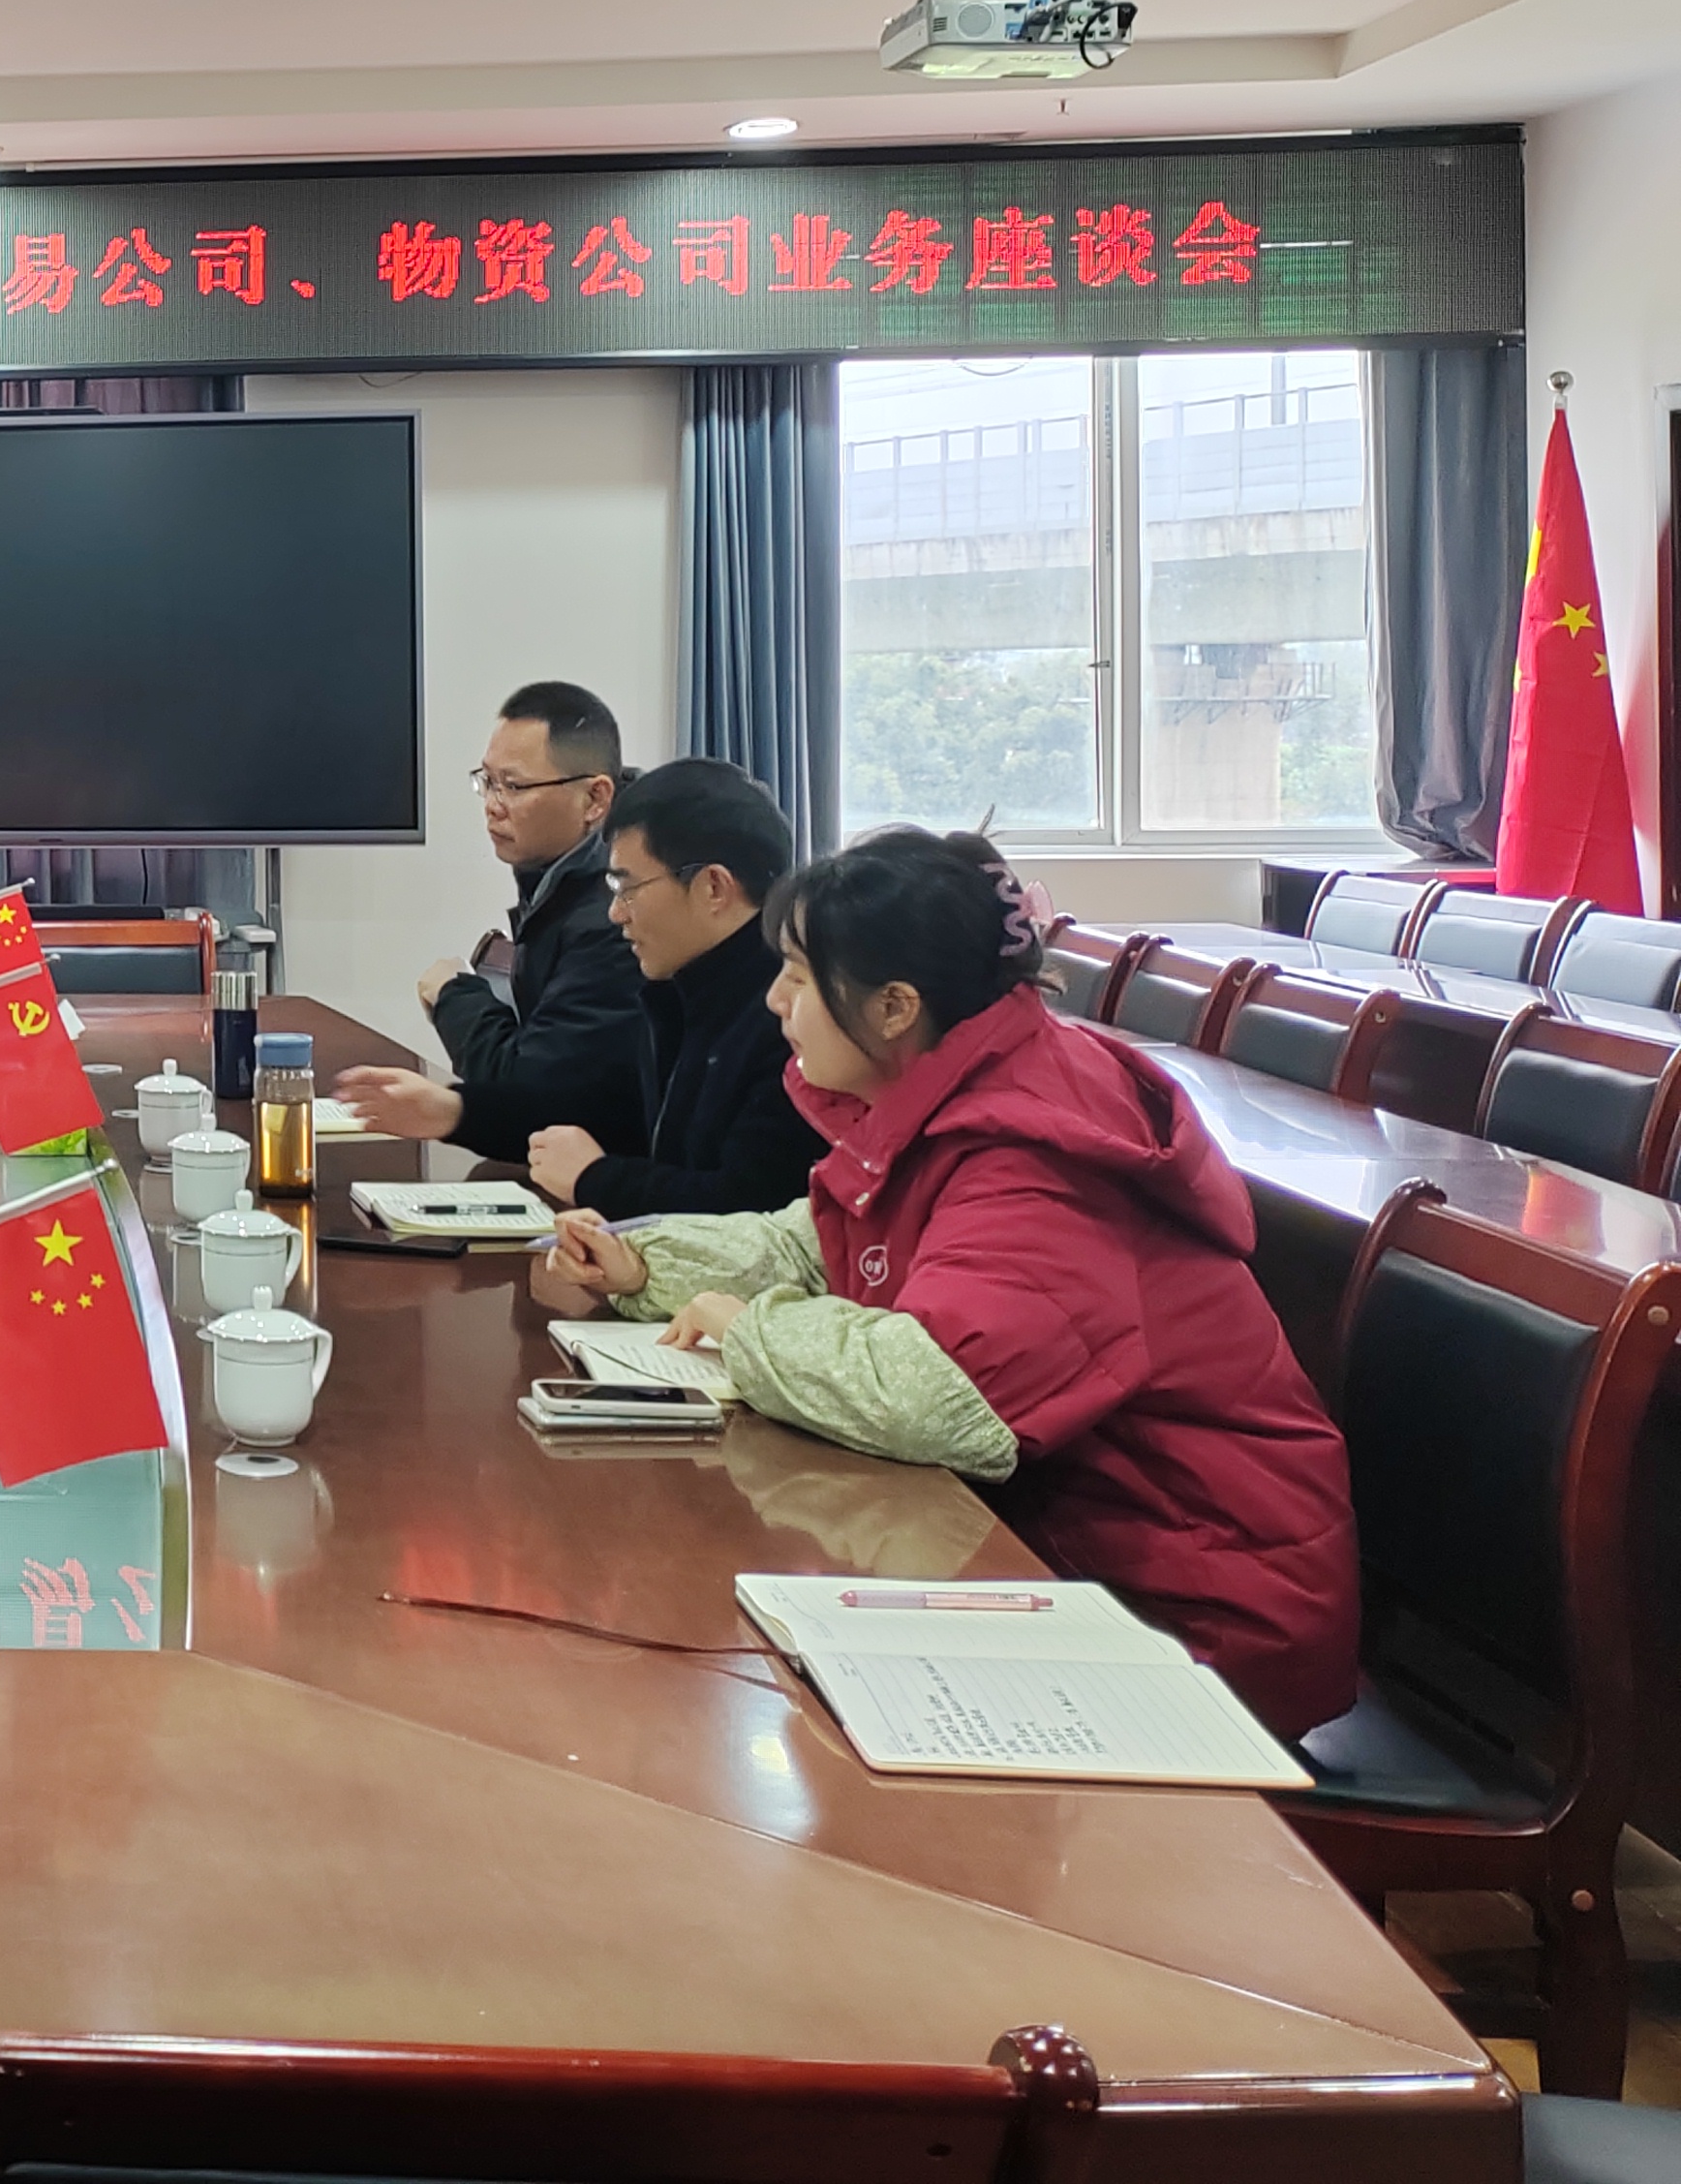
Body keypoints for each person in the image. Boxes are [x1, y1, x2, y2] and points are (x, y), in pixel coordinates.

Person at [541, 827, 1359, 1737]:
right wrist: (647, 1263)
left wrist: (747, 1330)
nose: (774, 999)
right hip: (1076, 1556)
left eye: (800, 977)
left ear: (895, 1007)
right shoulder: (955, 1092)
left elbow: (935, 1389)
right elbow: (820, 1243)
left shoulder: (1038, 1150)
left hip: (1200, 1612)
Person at [336, 754, 818, 1217]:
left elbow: (751, 1208)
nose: (616, 913)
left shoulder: (793, 1018)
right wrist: (455, 1112)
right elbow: (605, 1112)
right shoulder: (684, 988)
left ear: (713, 887)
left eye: (628, 889)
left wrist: (595, 1179)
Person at [387, 680, 648, 1148]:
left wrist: (454, 995)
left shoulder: (613, 915)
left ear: (595, 799)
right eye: (487, 782)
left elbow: (530, 1092)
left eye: (514, 786)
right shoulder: (557, 880)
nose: (492, 806)